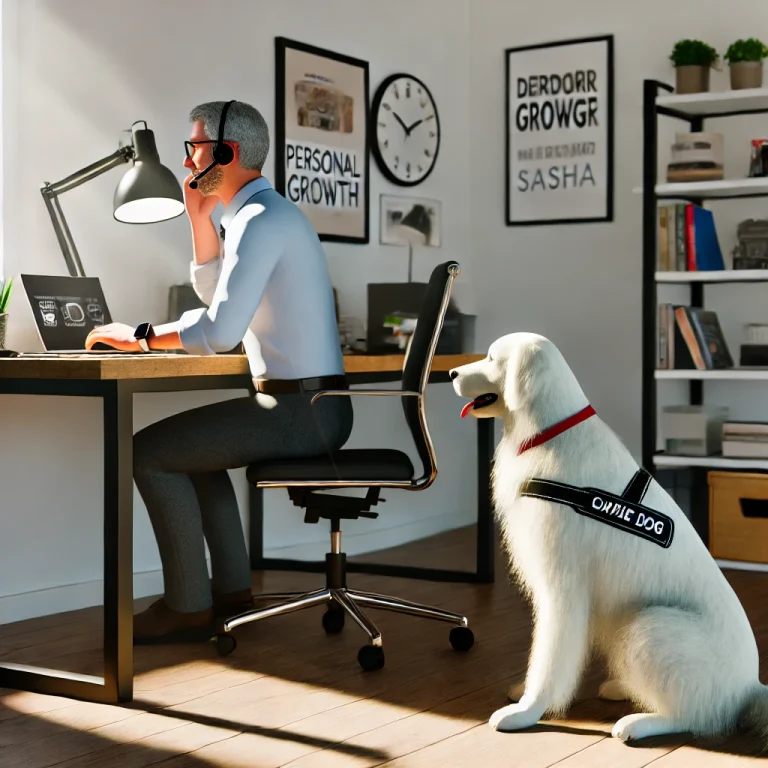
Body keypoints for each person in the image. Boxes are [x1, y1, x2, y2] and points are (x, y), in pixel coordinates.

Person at [85, 100, 354, 644]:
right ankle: (230, 593)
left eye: (195, 147)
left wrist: (136, 338)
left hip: (301, 412)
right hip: (309, 407)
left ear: (227, 153)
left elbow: (218, 332)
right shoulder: (264, 216)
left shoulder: (260, 221)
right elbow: (223, 302)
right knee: (192, 449)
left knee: (148, 453)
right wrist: (199, 222)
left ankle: (187, 605)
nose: (187, 161)